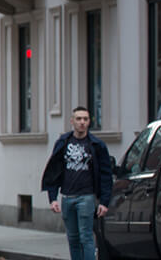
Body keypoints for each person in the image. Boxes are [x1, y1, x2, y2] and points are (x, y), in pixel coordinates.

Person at [41, 106, 113, 260]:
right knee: (73, 239)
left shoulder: (96, 145)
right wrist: (52, 198)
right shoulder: (63, 142)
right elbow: (54, 171)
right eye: (79, 119)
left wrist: (104, 201)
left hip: (86, 197)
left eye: (85, 119)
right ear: (72, 121)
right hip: (67, 197)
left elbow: (106, 175)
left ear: (89, 122)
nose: (82, 122)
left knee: (86, 237)